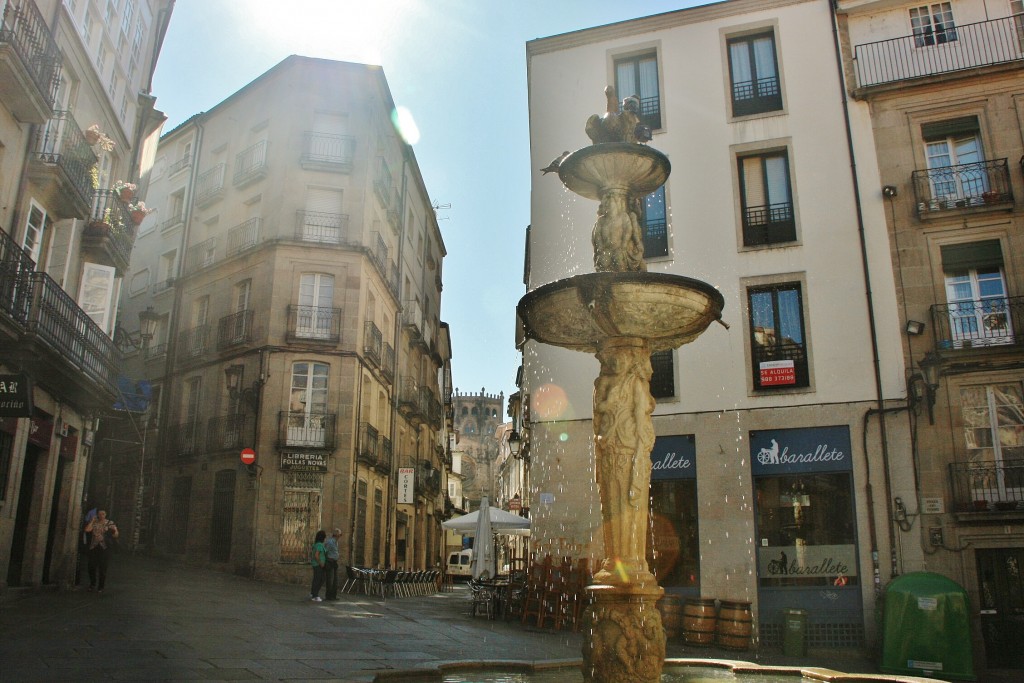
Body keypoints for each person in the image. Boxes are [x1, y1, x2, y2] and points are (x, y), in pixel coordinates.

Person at [84, 508, 118, 593]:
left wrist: (114, 530)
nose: (101, 516)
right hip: (94, 547)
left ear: (105, 514)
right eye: (99, 514)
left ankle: (101, 586)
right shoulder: (94, 522)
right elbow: (87, 530)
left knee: (102, 568)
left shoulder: (109, 523)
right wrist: (92, 521)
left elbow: (115, 535)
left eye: (103, 514)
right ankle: (92, 584)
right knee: (91, 566)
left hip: (104, 548)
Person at [309, 530, 327, 602]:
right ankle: (315, 595)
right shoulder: (319, 545)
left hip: (316, 564)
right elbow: (316, 555)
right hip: (318, 565)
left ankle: (313, 593)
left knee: (316, 579)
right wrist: (321, 563)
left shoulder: (316, 544)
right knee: (320, 579)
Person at [324, 528, 340, 600]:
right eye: (340, 534)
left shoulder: (336, 542)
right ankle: (329, 596)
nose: (340, 536)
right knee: (330, 579)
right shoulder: (330, 542)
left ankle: (333, 595)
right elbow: (325, 551)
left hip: (334, 562)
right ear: (336, 535)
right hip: (330, 562)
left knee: (335, 580)